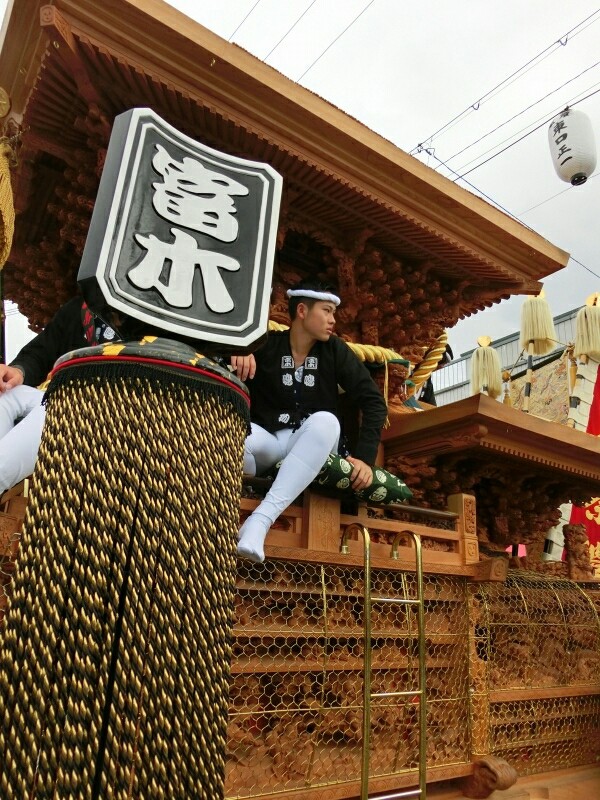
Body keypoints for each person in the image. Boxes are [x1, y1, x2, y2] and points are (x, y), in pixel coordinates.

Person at [232, 281, 388, 563]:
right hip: (269, 440)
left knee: (326, 422)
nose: (332, 320)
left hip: (312, 443)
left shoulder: (335, 351)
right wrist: (238, 350)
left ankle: (260, 521)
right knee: (234, 439)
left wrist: (365, 459)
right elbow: (221, 356)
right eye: (327, 311)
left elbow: (374, 401)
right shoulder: (267, 344)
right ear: (302, 311)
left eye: (333, 313)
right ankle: (239, 502)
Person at [0, 296, 117, 494]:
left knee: (55, 407)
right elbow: (40, 353)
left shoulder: (158, 320)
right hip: (56, 395)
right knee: (6, 395)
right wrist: (18, 371)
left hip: (105, 409)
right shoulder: (81, 307)